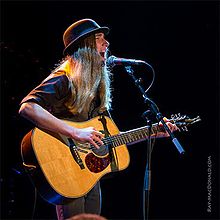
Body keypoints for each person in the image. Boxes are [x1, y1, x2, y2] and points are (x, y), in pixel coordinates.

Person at [19, 18, 178, 219]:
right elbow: (27, 107)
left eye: (105, 38)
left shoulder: (94, 90)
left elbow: (113, 139)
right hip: (65, 169)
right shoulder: (63, 78)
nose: (107, 43)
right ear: (84, 47)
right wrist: (76, 132)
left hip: (87, 172)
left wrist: (153, 132)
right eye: (98, 38)